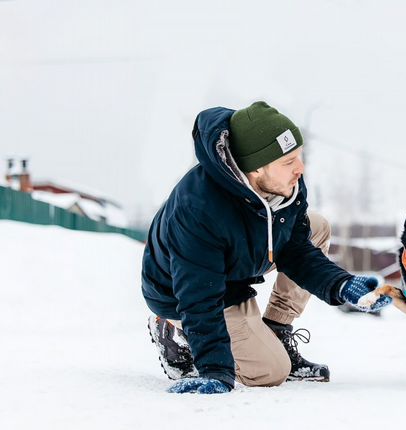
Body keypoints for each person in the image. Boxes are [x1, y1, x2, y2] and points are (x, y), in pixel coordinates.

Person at [141, 101, 390, 394]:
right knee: (271, 371)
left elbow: (296, 250)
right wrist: (215, 370)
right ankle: (174, 332)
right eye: (288, 162)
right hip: (183, 291)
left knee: (317, 227)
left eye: (299, 156)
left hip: (236, 263)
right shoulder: (199, 207)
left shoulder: (286, 185)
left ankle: (276, 331)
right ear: (257, 167)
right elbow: (199, 295)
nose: (300, 168)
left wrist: (340, 284)